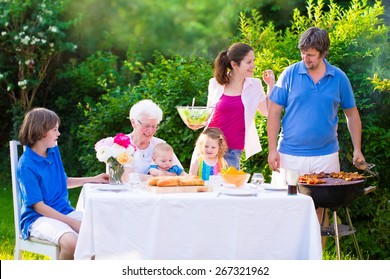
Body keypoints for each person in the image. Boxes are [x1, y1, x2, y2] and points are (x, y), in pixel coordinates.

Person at [267, 27, 365, 232]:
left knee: (320, 215)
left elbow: (352, 115)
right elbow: (274, 112)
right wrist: (272, 149)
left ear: (323, 53)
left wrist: (357, 149)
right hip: (289, 155)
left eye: (310, 54)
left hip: (326, 156)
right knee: (284, 211)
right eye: (303, 53)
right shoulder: (289, 74)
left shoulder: (339, 78)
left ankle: (316, 259)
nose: (305, 58)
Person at [17, 107, 109, 260]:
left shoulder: (53, 151)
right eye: (55, 130)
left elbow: (62, 182)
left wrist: (93, 178)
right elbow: (38, 206)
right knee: (71, 243)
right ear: (40, 131)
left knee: (101, 233)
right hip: (37, 218)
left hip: (63, 211)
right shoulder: (26, 165)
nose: (58, 134)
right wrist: (72, 222)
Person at [200, 42, 275, 170]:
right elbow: (207, 116)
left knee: (231, 188)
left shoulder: (255, 85)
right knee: (206, 187)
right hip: (209, 147)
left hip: (233, 151)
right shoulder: (215, 83)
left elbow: (267, 111)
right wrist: (195, 123)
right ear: (234, 64)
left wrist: (270, 86)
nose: (253, 65)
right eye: (249, 62)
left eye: (253, 61)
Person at [128, 99, 183, 175]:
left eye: (154, 126)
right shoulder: (120, 144)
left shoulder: (160, 144)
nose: (150, 131)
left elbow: (180, 173)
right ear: (133, 122)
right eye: (146, 126)